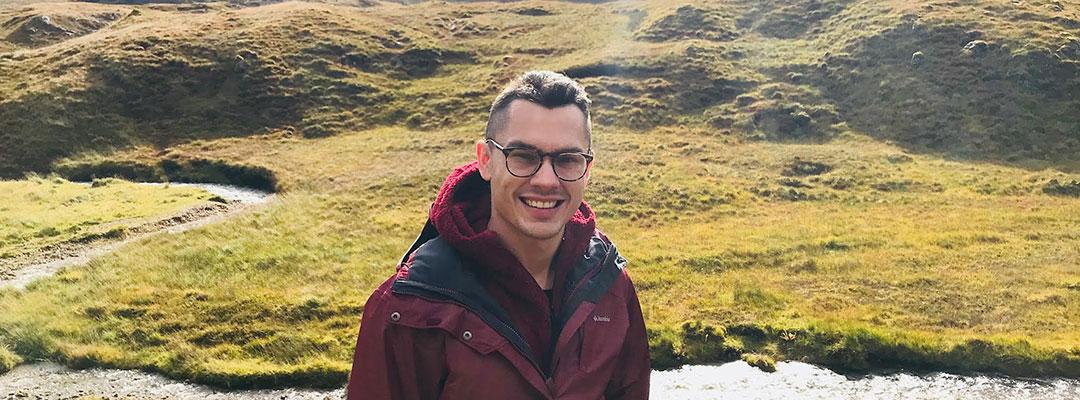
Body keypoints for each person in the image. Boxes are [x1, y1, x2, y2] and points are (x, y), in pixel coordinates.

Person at [346, 71, 650, 399]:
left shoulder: (609, 285)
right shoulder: (409, 307)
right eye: (523, 156)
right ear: (486, 160)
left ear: (587, 169)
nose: (547, 180)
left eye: (568, 160)